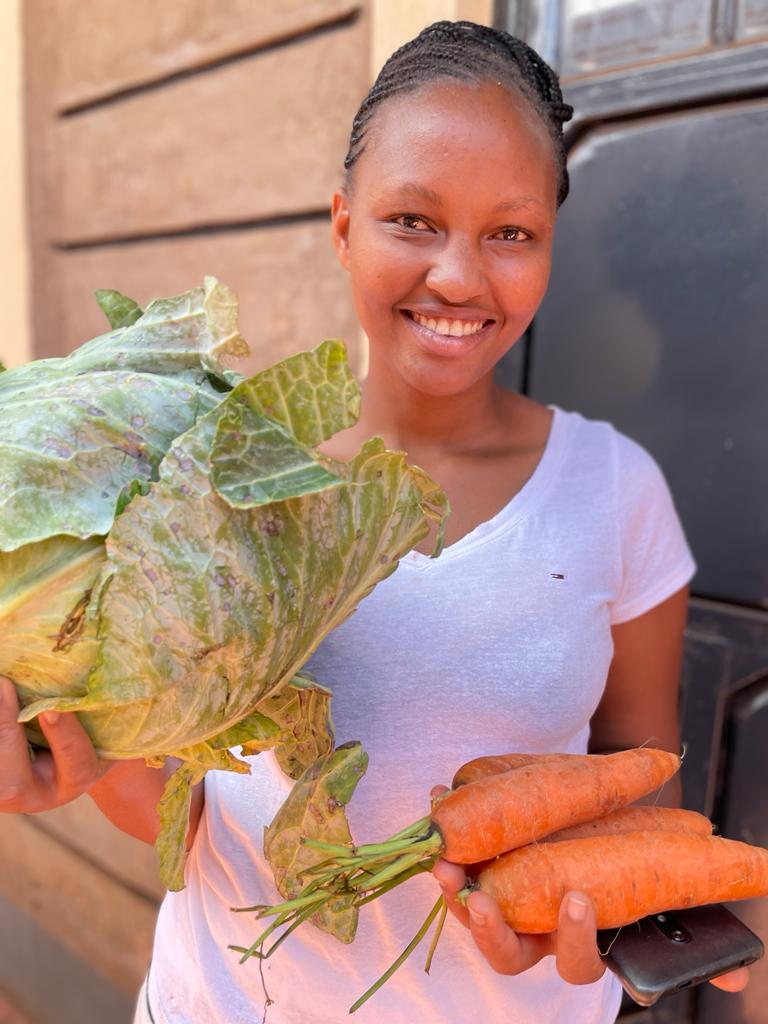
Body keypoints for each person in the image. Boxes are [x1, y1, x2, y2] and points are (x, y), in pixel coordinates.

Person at [0, 20, 750, 1024]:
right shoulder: (225, 483)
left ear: (551, 250)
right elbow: (189, 820)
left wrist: (601, 918)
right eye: (412, 219)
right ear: (344, 224)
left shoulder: (617, 493)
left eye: (511, 232)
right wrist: (79, 768)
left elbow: (633, 790)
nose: (456, 276)